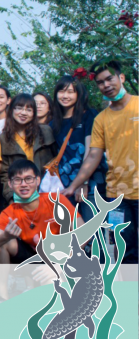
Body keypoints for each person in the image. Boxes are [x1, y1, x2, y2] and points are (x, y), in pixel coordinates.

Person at [63, 61, 138, 264]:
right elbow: (93, 155)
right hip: (116, 196)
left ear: (121, 78)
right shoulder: (101, 119)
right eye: (100, 82)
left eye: (109, 79)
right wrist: (74, 186)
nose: (106, 85)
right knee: (124, 249)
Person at [0, 160, 79, 300]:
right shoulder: (10, 211)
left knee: (51, 288)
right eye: (18, 180)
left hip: (62, 256)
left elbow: (84, 233)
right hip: (33, 256)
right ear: (10, 184)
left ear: (38, 180)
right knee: (0, 243)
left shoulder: (55, 200)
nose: (23, 184)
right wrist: (5, 236)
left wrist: (60, 264)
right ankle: (2, 298)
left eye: (28, 179)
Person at [50, 75, 107, 218]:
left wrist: (82, 182)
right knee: (72, 229)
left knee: (92, 227)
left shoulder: (89, 116)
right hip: (64, 187)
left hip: (90, 185)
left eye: (70, 92)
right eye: (61, 91)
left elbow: (91, 150)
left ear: (78, 94)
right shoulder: (53, 123)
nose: (65, 96)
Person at [0, 93, 57, 203]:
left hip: (47, 191)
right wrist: (11, 197)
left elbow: (56, 160)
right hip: (20, 195)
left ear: (34, 113)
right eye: (19, 108)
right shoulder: (3, 138)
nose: (24, 113)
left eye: (29, 110)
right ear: (11, 110)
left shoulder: (45, 131)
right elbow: (4, 173)